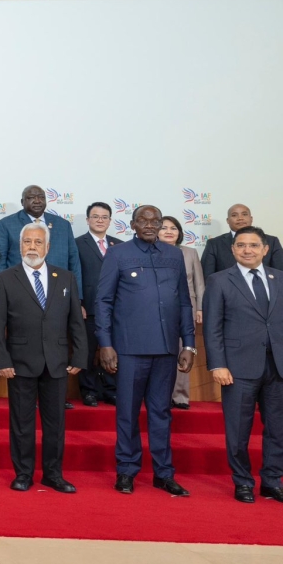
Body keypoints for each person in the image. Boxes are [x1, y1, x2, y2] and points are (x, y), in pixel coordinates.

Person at [96, 205, 195, 496]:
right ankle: (126, 471)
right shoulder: (118, 254)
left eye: (156, 221)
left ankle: (163, 474)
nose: (150, 225)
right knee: (127, 412)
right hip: (129, 349)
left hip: (166, 349)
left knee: (161, 412)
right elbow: (103, 301)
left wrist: (188, 343)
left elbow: (185, 303)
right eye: (143, 220)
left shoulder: (174, 255)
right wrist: (105, 343)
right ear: (132, 224)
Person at [0, 223, 87, 493]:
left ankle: (53, 475)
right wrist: (3, 360)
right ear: (20, 246)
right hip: (19, 362)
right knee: (21, 423)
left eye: (37, 242)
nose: (32, 246)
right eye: (27, 242)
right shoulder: (5, 279)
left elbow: (76, 322)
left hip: (57, 361)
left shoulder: (65, 277)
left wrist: (79, 356)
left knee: (55, 424)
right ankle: (23, 474)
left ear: (47, 247)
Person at [202, 226, 283, 503]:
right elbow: (211, 328)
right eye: (241, 245)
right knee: (238, 431)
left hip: (278, 369)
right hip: (237, 368)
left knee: (278, 429)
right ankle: (243, 482)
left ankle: (272, 481)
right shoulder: (219, 281)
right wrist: (217, 365)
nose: (247, 250)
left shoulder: (280, 279)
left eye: (253, 245)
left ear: (265, 249)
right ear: (233, 249)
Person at [75, 201, 122, 407]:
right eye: (95, 216)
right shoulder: (76, 244)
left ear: (110, 221)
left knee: (113, 351)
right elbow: (72, 276)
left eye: (104, 217)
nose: (100, 220)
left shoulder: (120, 245)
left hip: (116, 310)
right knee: (86, 352)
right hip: (88, 309)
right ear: (88, 220)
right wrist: (78, 303)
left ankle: (110, 389)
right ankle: (89, 391)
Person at [0, 185, 81, 289]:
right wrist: (3, 290)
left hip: (59, 289)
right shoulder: (6, 224)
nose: (37, 201)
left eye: (41, 197)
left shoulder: (63, 225)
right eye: (31, 197)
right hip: (19, 288)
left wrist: (77, 295)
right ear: (22, 202)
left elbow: (74, 260)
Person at [159, 216, 204, 410]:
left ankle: (180, 396)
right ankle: (161, 395)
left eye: (174, 228)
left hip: (187, 307)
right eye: (164, 228)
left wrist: (200, 308)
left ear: (179, 232)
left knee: (185, 351)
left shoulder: (190, 253)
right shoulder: (152, 253)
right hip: (160, 308)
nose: (169, 231)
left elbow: (199, 283)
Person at [202, 204, 283, 277]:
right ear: (227, 220)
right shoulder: (214, 244)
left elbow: (279, 273)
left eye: (244, 214)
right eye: (234, 215)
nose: (240, 218)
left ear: (251, 219)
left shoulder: (272, 241)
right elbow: (208, 276)